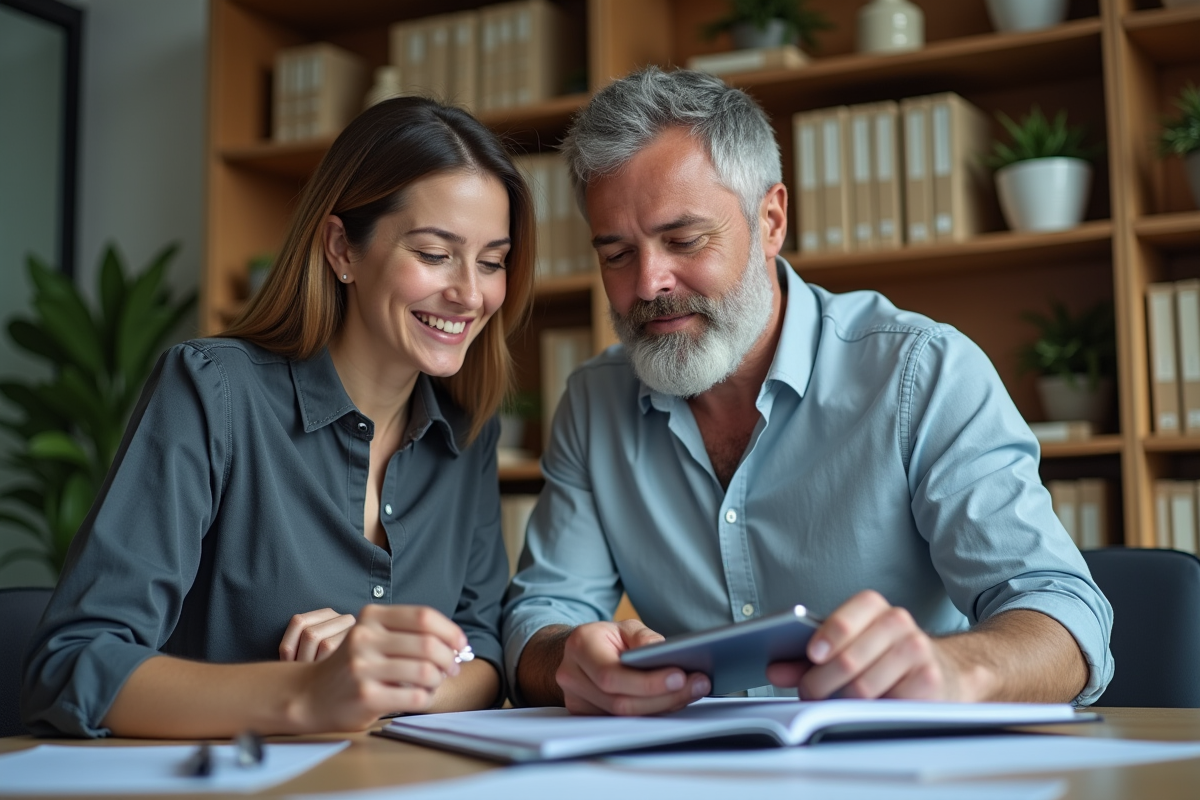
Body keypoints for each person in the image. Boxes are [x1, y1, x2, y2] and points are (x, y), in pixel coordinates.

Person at [502, 67, 1114, 716]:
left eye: (683, 239)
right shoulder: (594, 404)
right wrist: (568, 658)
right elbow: (542, 615)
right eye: (617, 254)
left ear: (771, 220)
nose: (649, 281)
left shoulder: (923, 373)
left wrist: (957, 668)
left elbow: (1063, 613)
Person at [22, 96, 535, 738]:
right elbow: (73, 663)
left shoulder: (469, 432)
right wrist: (309, 692)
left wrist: (384, 683)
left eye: (492, 262)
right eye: (435, 254)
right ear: (342, 248)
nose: (470, 293)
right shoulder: (214, 391)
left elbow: (482, 652)